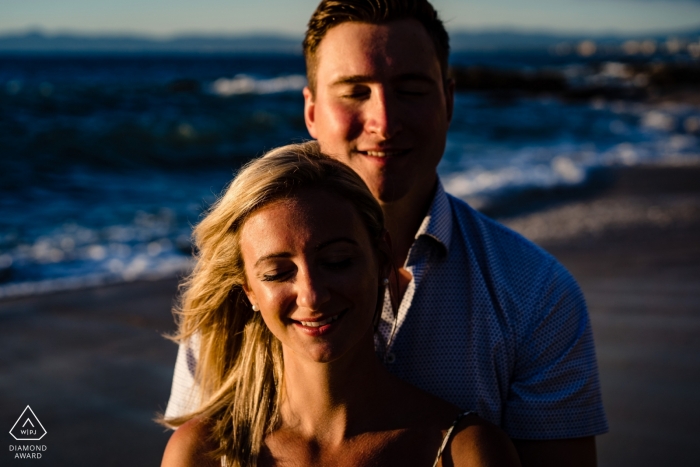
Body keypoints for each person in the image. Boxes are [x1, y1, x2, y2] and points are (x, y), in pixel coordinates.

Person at [165, 1, 608, 465]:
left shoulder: (535, 294)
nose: (384, 122)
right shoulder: (241, 293)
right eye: (355, 92)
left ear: (449, 101)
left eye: (411, 90)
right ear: (312, 111)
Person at [160, 143, 520, 467]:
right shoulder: (203, 453)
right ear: (249, 292)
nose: (312, 295)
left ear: (380, 259)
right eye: (277, 273)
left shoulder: (465, 451)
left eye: (337, 261)